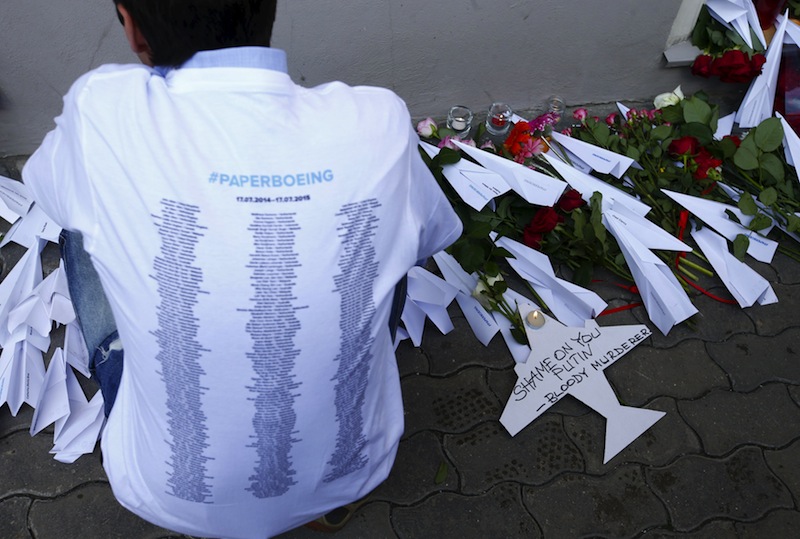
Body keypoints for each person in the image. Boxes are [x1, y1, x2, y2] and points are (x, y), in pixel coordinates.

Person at [21, 1, 462, 538]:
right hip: (351, 473)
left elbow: (47, 189)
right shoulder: (377, 120)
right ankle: (321, 506)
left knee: (79, 231)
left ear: (132, 29)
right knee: (387, 235)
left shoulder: (103, 110)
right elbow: (431, 238)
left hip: (168, 494)